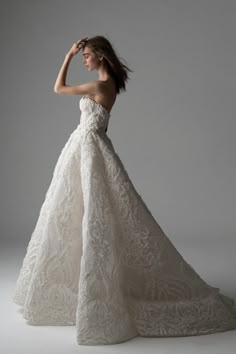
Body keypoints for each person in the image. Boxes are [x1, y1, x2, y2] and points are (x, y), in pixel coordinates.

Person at [13, 35, 236, 346]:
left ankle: (95, 290)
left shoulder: (100, 86)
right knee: (79, 210)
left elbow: (58, 88)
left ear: (101, 56)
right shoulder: (111, 85)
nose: (84, 61)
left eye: (87, 56)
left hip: (89, 148)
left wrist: (66, 54)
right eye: (82, 57)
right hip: (87, 148)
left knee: (92, 211)